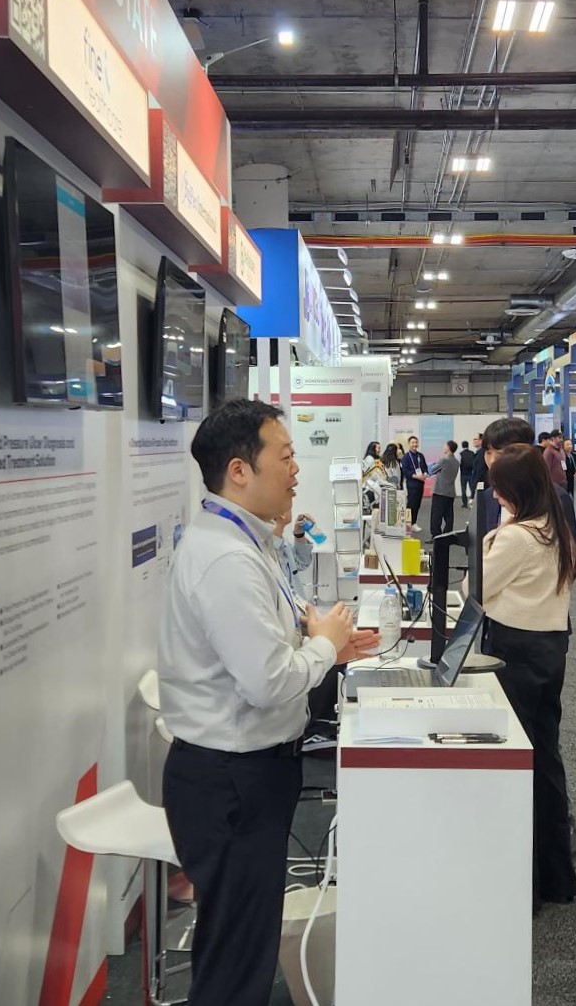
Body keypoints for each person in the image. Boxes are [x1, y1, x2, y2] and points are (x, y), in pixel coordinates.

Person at [157, 399, 377, 1006]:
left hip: (241, 773)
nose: (296, 470)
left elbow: (263, 653)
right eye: (285, 457)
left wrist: (323, 646)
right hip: (232, 779)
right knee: (237, 960)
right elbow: (267, 682)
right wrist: (323, 647)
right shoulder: (227, 558)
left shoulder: (243, 541)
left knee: (237, 944)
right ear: (239, 470)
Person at [481, 443, 576, 912]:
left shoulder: (517, 537)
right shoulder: (555, 527)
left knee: (517, 764)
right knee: (545, 759)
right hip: (550, 648)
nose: (494, 495)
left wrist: (492, 539)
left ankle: (526, 885)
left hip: (515, 652)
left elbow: (476, 588)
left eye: (500, 488)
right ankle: (555, 877)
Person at [429, 440, 459, 538]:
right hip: (450, 491)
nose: (443, 447)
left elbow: (432, 470)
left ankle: (436, 535)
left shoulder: (443, 460)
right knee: (448, 515)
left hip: (440, 491)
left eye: (445, 446)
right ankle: (447, 534)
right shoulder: (456, 462)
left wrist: (435, 464)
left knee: (436, 515)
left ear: (448, 448)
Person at [401, 436, 428, 533]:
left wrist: (425, 474)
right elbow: (405, 471)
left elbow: (425, 467)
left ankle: (414, 523)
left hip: (420, 483)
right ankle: (408, 524)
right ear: (409, 444)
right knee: (411, 505)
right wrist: (417, 477)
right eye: (412, 443)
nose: (414, 444)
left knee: (417, 504)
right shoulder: (406, 457)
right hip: (412, 484)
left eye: (416, 442)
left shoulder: (420, 455)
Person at [458, 438, 477, 509]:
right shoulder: (472, 453)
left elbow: (459, 463)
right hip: (471, 473)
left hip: (463, 474)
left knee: (463, 489)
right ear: (468, 445)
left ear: (462, 446)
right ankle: (473, 501)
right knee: (472, 488)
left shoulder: (460, 454)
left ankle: (465, 504)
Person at [563, 438, 576, 511]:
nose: (570, 446)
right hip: (566, 480)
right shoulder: (562, 456)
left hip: (575, 480)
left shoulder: (574, 456)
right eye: (567, 445)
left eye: (570, 444)